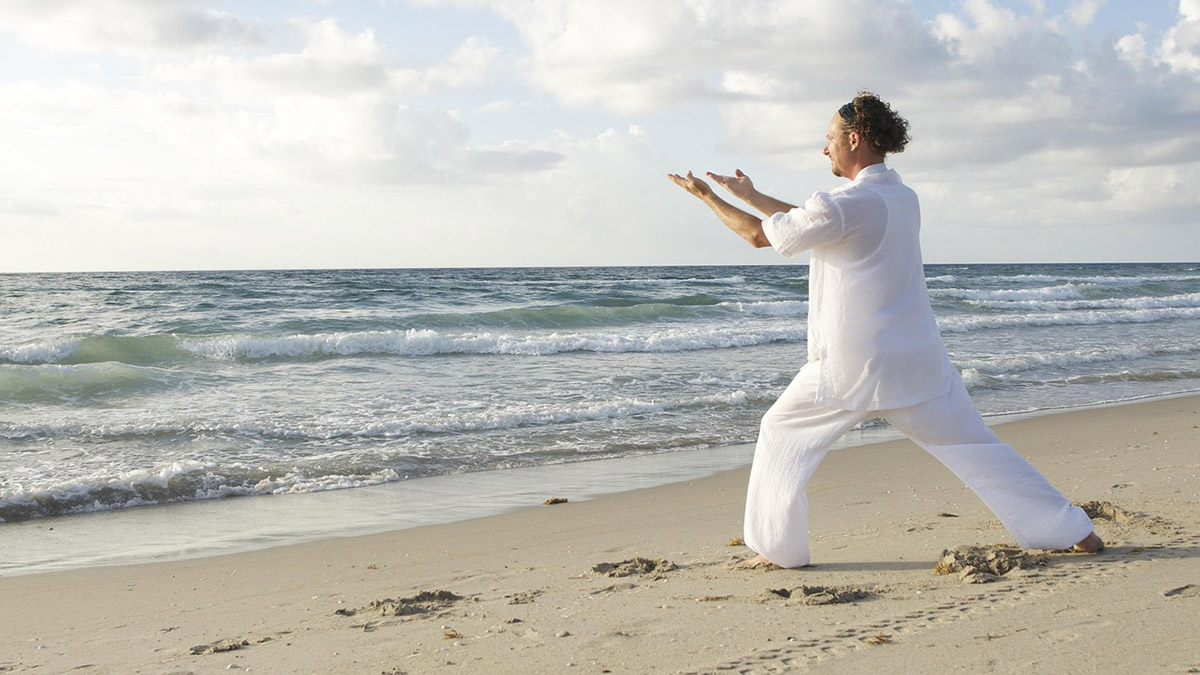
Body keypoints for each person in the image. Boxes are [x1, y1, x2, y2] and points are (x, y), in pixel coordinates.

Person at [667, 91, 1103, 568]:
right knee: (978, 449)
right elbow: (822, 220)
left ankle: (778, 551)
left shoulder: (844, 205)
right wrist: (751, 194)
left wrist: (708, 197)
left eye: (829, 138)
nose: (824, 148)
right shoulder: (897, 196)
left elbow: (761, 235)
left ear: (853, 139)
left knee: (780, 432)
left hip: (853, 367)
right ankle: (1071, 530)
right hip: (918, 362)